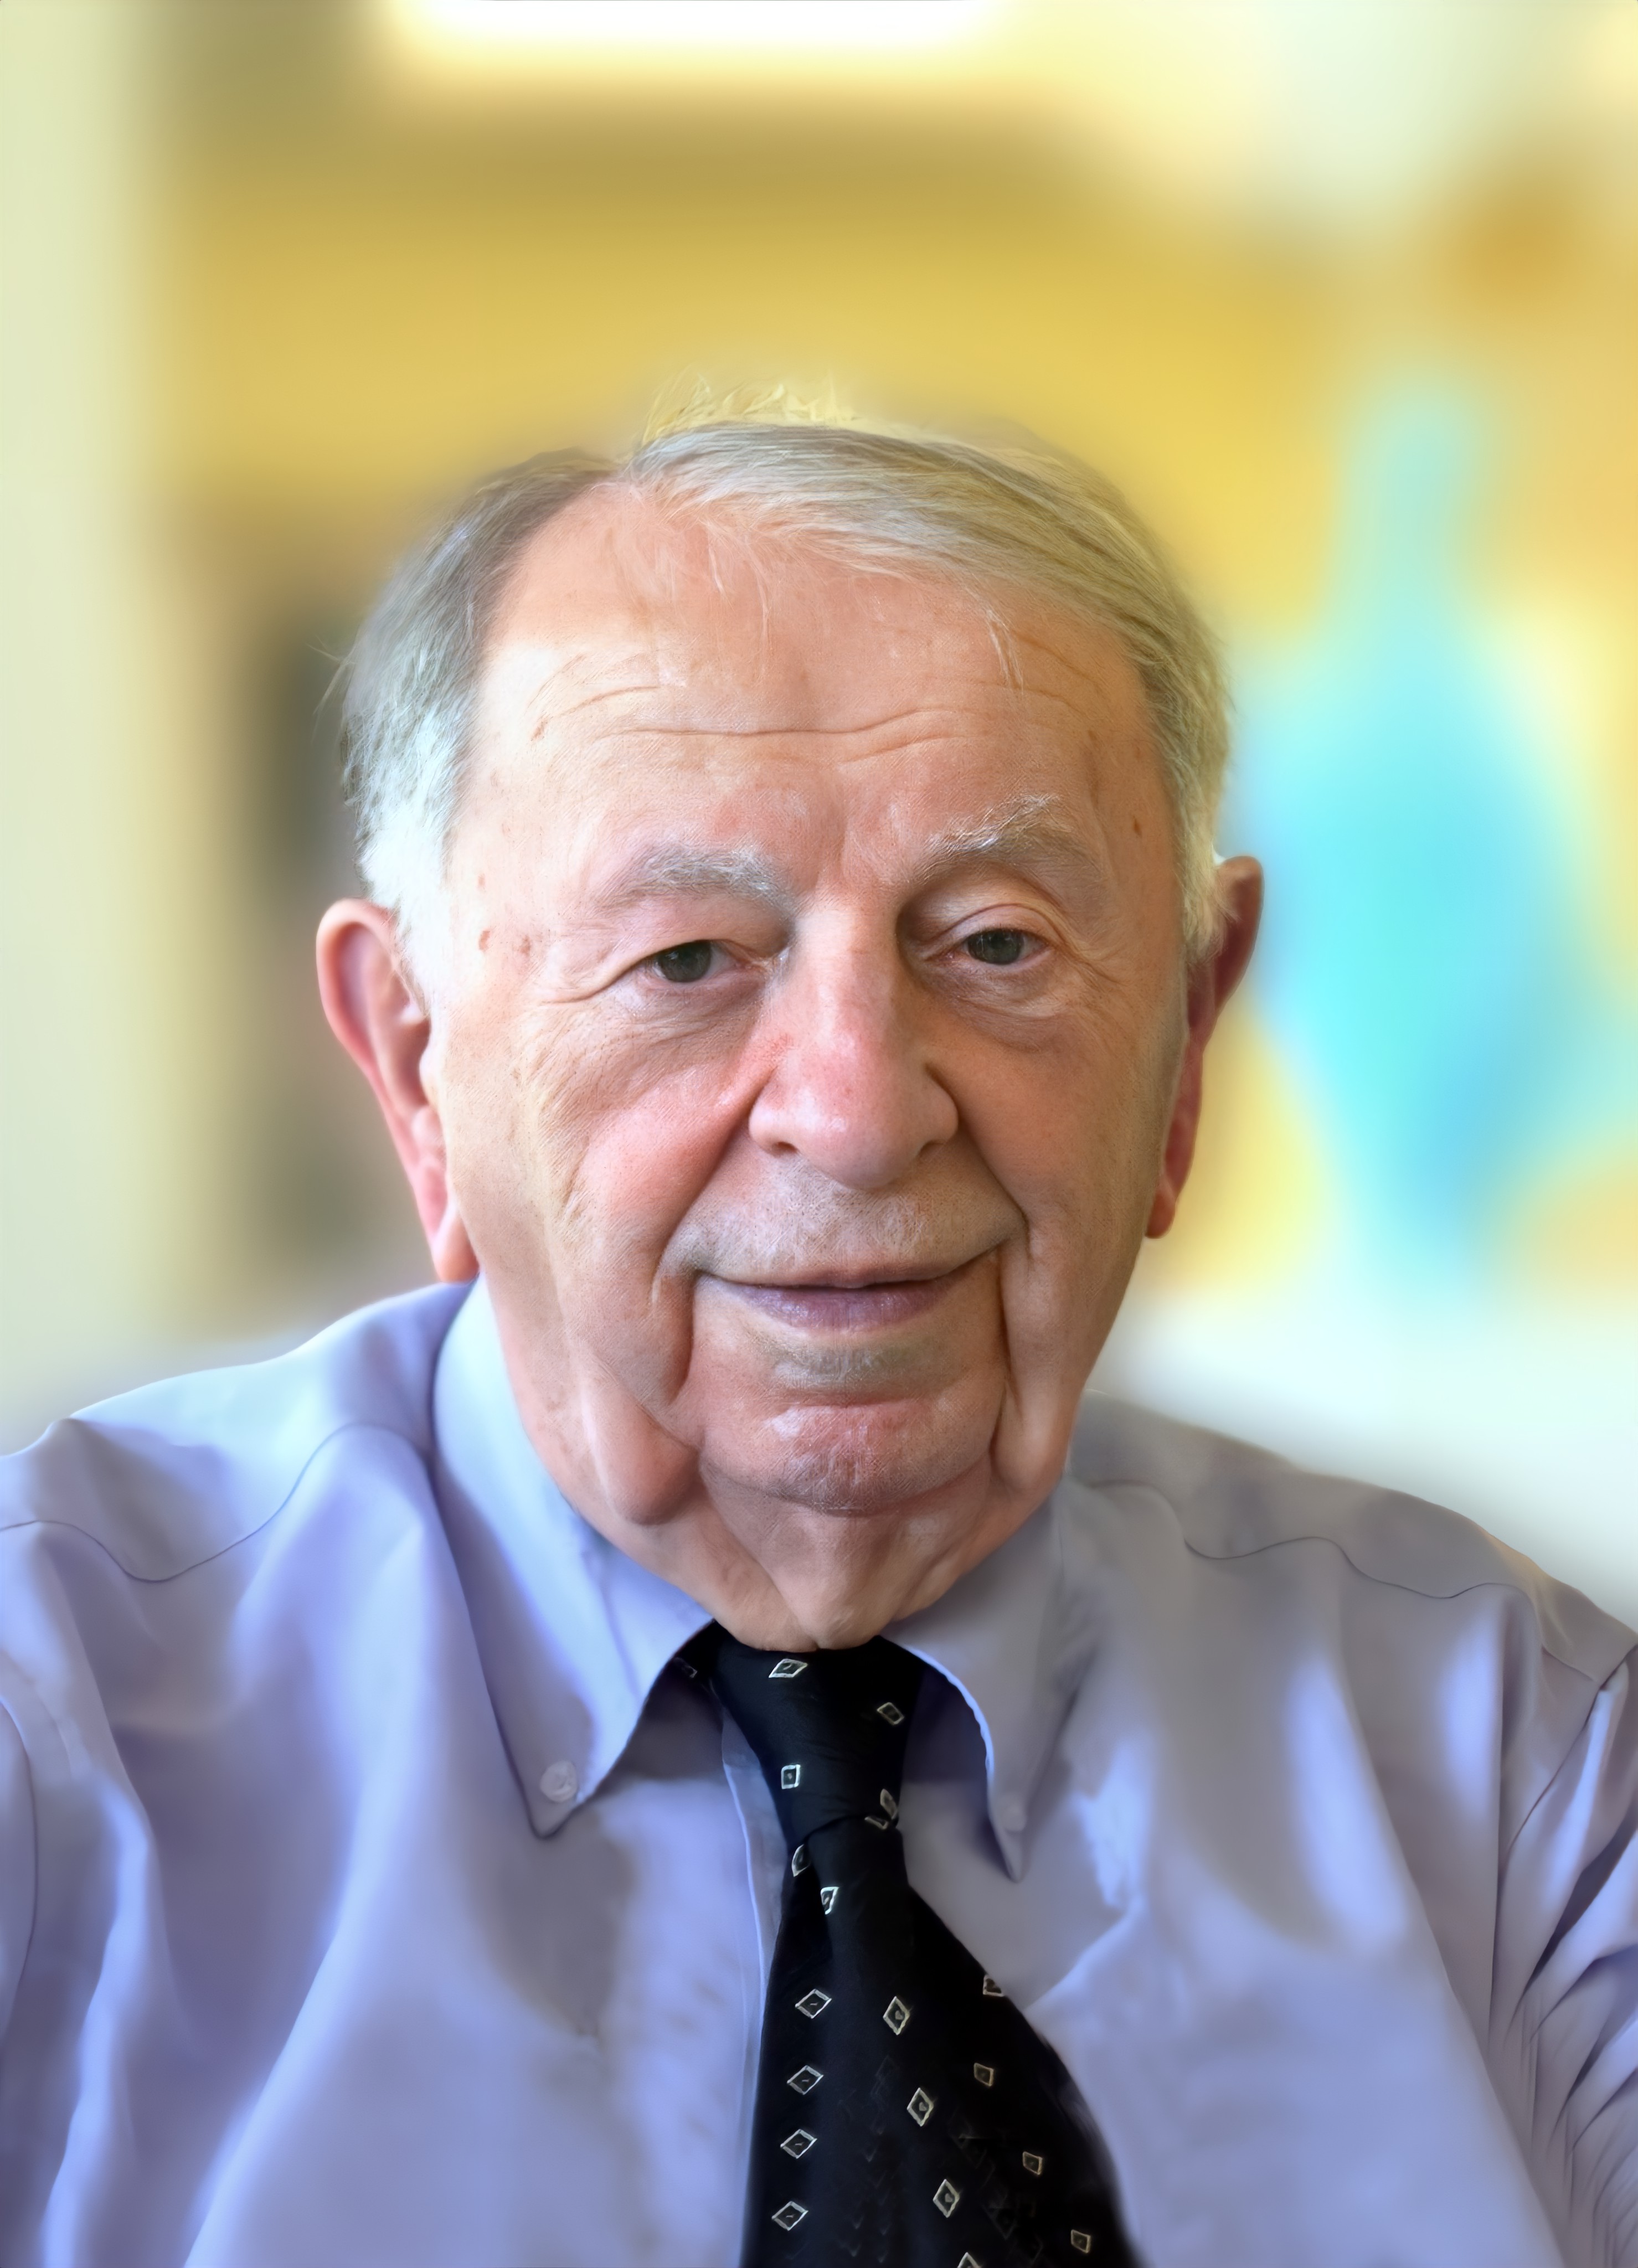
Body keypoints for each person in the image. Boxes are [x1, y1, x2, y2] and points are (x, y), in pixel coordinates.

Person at [1, 401, 1632, 2268]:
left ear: (1185, 1047)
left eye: (997, 945)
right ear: (415, 1062)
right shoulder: (52, 1729)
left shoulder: (1527, 1771)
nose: (858, 1115)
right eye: (689, 959)